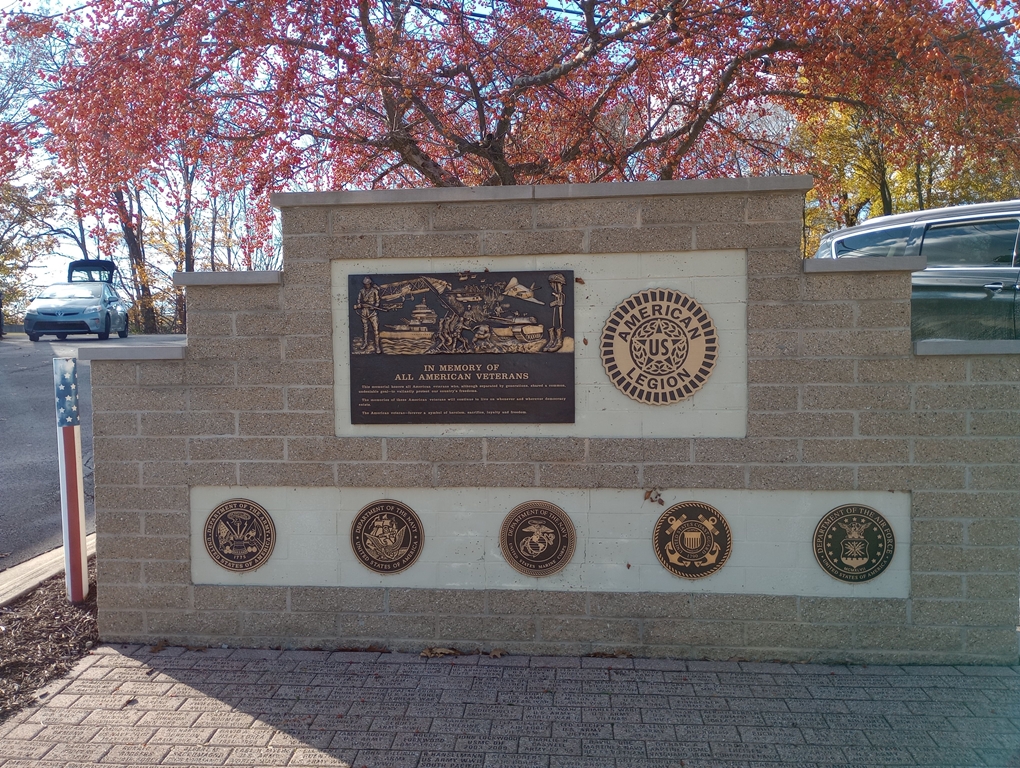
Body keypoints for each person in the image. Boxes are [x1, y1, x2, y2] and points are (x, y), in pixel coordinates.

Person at [355, 277, 382, 353]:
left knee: (376, 330)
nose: (366, 285)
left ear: (370, 283)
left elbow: (377, 301)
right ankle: (365, 343)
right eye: (365, 284)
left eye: (367, 284)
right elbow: (358, 300)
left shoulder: (375, 291)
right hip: (364, 312)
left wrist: (374, 306)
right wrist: (359, 305)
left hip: (372, 313)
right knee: (365, 329)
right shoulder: (361, 291)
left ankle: (377, 346)